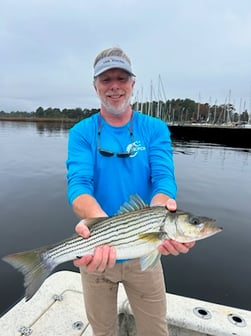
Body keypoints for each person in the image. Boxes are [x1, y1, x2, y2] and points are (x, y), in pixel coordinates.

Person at [66, 47, 195, 336]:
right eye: (106, 79)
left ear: (133, 83)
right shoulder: (82, 132)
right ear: (95, 86)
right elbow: (78, 185)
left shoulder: (155, 129)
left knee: (155, 331)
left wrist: (162, 215)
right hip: (96, 252)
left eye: (121, 78)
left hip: (146, 255)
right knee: (103, 331)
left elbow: (164, 179)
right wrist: (101, 226)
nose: (114, 86)